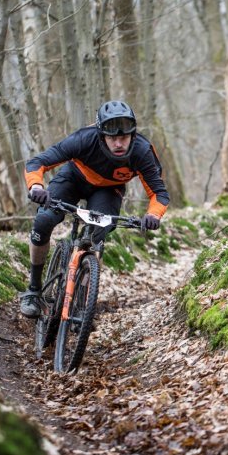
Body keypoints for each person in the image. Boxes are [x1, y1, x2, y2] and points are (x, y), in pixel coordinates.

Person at [18, 100, 169, 318]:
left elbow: (159, 193)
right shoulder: (83, 139)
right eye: (112, 138)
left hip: (108, 191)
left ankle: (82, 298)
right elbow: (37, 162)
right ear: (101, 135)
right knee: (43, 220)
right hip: (73, 179)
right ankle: (33, 290)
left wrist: (153, 215)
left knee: (97, 234)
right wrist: (36, 186)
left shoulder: (142, 151)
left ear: (133, 135)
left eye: (124, 138)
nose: (119, 143)